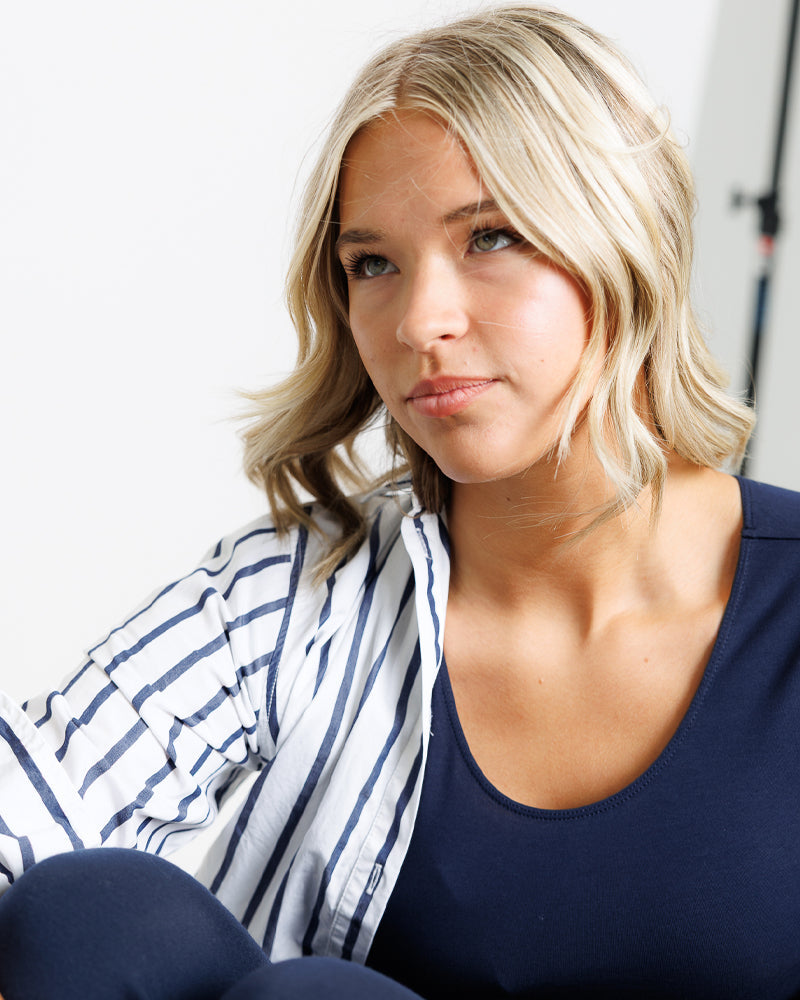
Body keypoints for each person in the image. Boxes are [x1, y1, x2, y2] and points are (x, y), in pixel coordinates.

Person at [1, 4, 798, 998]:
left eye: (491, 237)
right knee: (98, 914)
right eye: (370, 264)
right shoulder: (304, 590)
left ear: (619, 242)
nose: (420, 319)